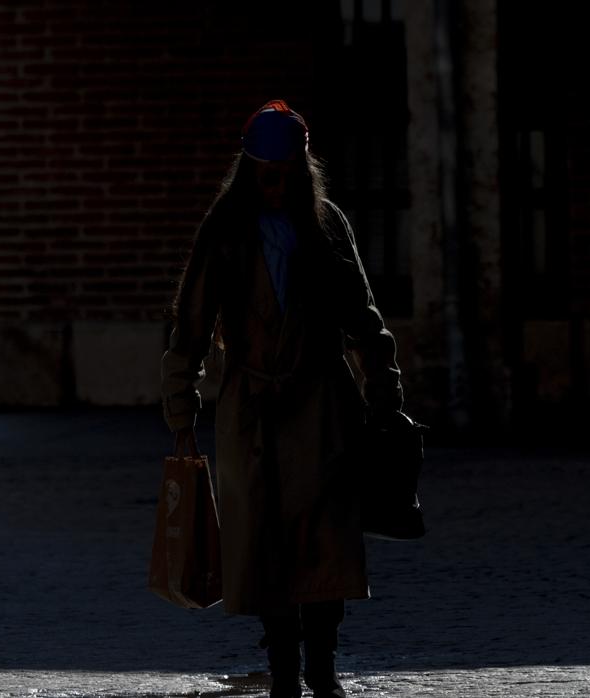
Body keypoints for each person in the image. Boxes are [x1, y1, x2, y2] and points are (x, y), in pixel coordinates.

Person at [160, 100, 405, 698]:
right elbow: (189, 327)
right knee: (263, 542)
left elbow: (363, 319)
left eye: (285, 172)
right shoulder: (224, 232)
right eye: (265, 173)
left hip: (321, 405)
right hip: (251, 412)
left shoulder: (326, 226)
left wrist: (384, 396)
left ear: (300, 169)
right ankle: (283, 670)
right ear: (250, 171)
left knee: (323, 540)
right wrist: (181, 415)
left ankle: (323, 665)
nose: (275, 185)